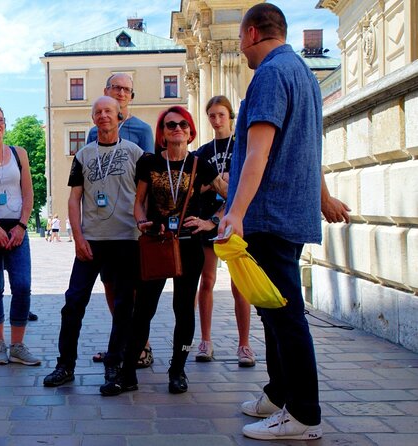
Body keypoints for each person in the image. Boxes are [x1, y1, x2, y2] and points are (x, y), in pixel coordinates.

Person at [218, 4, 333, 440]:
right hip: (290, 211)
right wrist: (322, 199)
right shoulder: (304, 73)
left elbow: (258, 152)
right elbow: (310, 148)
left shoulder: (268, 74)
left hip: (269, 214)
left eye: (241, 42)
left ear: (250, 33)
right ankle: (279, 392)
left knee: (285, 315)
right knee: (272, 309)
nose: (242, 50)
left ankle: (303, 415)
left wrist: (236, 212)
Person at [115, 106, 227, 396]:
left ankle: (178, 370)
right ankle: (127, 373)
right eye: (170, 125)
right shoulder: (149, 162)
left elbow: (231, 196)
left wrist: (210, 221)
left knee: (184, 311)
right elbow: (139, 201)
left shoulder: (200, 164)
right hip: (156, 243)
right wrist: (140, 221)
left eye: (182, 125)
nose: (177, 129)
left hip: (190, 246)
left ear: (190, 133)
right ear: (162, 134)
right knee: (143, 311)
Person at [43, 96, 144, 395]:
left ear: (119, 117)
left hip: (127, 239)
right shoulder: (84, 155)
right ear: (93, 118)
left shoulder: (135, 153)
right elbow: (74, 199)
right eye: (98, 112)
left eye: (108, 111)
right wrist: (78, 236)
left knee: (125, 305)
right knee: (73, 302)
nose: (103, 116)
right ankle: (66, 365)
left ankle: (115, 363)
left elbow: (144, 196)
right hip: (92, 241)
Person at [87, 72, 156, 368]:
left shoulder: (141, 129)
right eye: (117, 88)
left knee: (135, 287)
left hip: (132, 222)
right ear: (106, 90)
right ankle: (121, 342)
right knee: (110, 284)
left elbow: (151, 175)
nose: (122, 93)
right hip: (103, 224)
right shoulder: (93, 133)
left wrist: (148, 219)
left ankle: (143, 346)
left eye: (127, 89)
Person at [193, 96, 255, 366]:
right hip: (207, 221)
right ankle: (205, 340)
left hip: (236, 221)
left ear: (230, 117)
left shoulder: (242, 147)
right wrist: (215, 184)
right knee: (206, 281)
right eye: (212, 116)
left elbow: (249, 180)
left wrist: (227, 184)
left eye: (221, 115)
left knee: (239, 284)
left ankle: (244, 344)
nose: (216, 120)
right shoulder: (203, 152)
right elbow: (194, 187)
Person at [0, 104, 40, 367]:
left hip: (16, 228)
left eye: (0, 120)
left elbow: (28, 193)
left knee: (22, 285)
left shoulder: (19, 153)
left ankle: (17, 345)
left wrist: (22, 226)